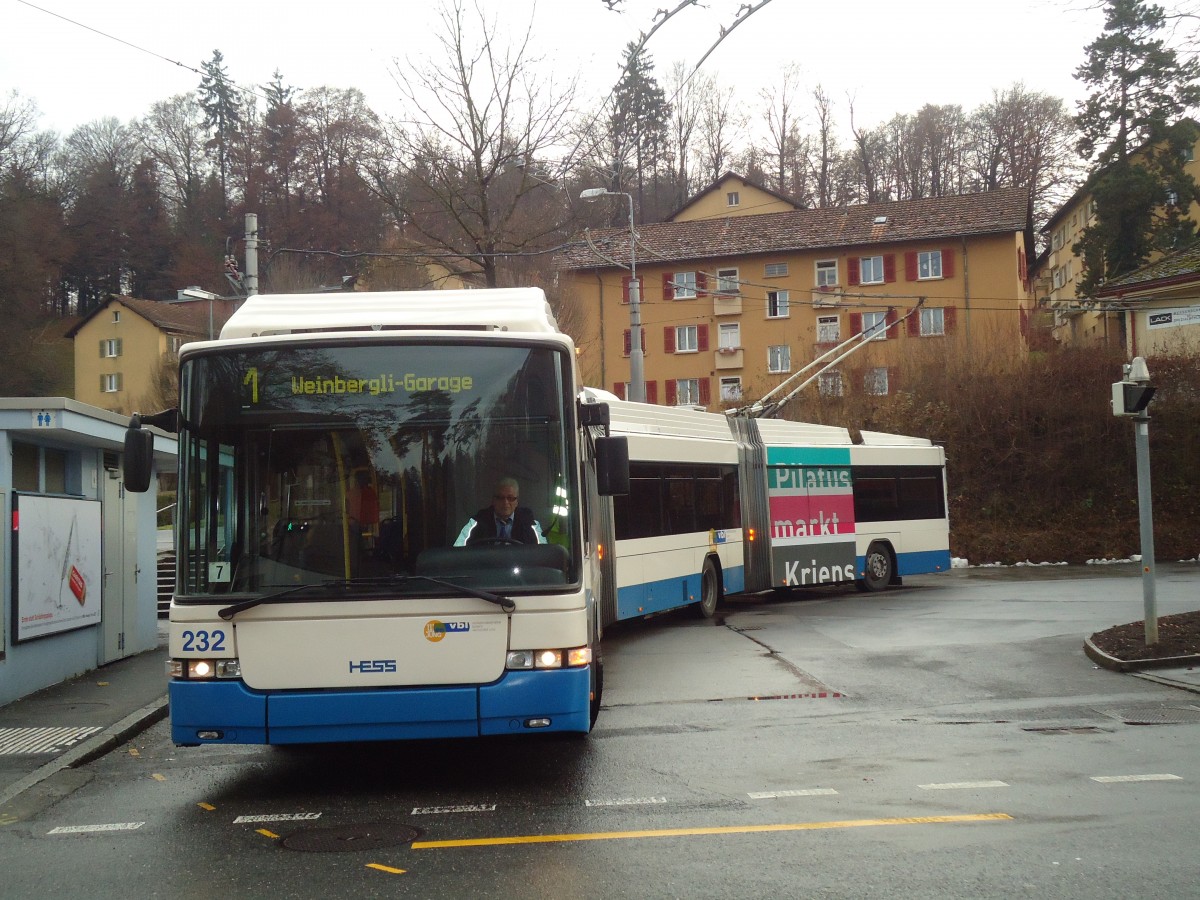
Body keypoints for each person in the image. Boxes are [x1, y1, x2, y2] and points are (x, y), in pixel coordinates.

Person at [454, 477, 546, 546]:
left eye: (510, 498)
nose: (505, 502)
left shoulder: (531, 524)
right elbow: (457, 552)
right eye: (500, 498)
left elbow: (542, 553)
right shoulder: (476, 523)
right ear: (493, 500)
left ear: (517, 501)